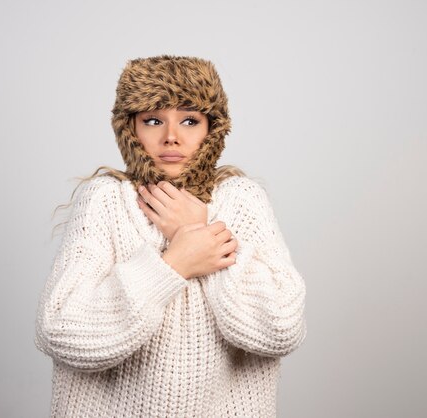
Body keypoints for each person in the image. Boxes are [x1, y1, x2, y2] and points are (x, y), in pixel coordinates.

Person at [34, 54, 307, 417]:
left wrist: (197, 232)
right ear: (129, 128)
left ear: (213, 128)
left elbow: (282, 328)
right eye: (153, 120)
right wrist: (174, 264)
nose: (171, 137)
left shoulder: (242, 199)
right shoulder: (105, 200)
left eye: (190, 120)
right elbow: (61, 330)